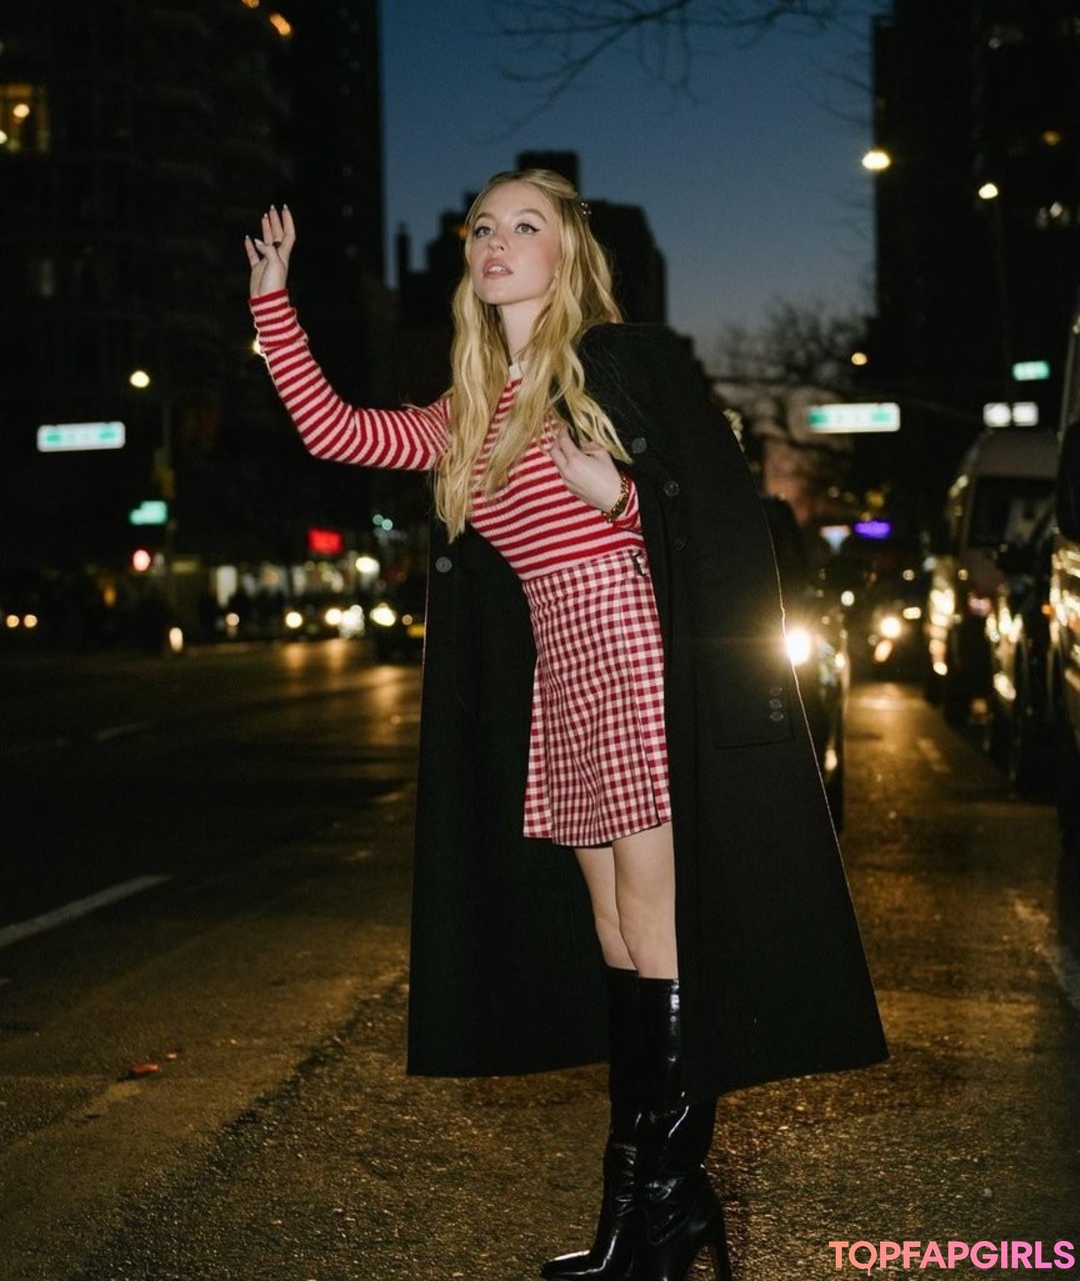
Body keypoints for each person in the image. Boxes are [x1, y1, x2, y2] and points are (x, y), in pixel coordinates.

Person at [245, 169, 887, 1281]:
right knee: (619, 938)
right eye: (482, 228)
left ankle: (664, 1206)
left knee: (661, 932)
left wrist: (620, 496)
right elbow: (335, 430)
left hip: (635, 650)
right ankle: (639, 1212)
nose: (496, 242)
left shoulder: (612, 369)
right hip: (565, 670)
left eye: (525, 225)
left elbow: (704, 507)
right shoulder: (468, 412)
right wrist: (272, 303)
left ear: (566, 255)